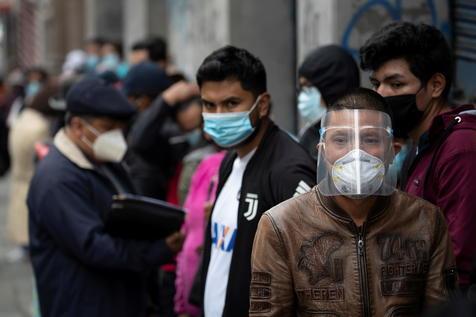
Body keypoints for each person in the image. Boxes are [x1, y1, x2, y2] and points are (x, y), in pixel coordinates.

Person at [250, 88, 457, 317]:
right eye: (341, 140)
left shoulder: (425, 221)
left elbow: (443, 310)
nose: (356, 153)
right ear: (323, 151)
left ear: (392, 151)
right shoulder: (281, 225)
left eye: (370, 139)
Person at [27, 78, 184, 317]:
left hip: (118, 299)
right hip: (84, 305)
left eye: (119, 129)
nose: (115, 137)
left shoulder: (103, 161)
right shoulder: (58, 179)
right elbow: (94, 246)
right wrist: (158, 250)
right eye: (107, 127)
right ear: (78, 126)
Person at [197, 45, 316, 317]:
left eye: (231, 104)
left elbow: (311, 271)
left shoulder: (288, 171)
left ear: (261, 105)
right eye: (208, 105)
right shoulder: (232, 159)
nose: (218, 115)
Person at [360, 21, 476, 289]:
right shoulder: (421, 144)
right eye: (376, 84)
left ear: (435, 86)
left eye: (396, 84)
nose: (381, 95)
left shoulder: (460, 149)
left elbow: (456, 263)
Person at [298, 45, 360, 159]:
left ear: (331, 88)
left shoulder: (362, 139)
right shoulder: (311, 134)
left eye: (308, 87)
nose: (303, 96)